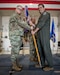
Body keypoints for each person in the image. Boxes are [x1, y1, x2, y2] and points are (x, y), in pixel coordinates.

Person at [31, 4, 53, 71]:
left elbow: (41, 24)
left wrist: (34, 32)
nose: (39, 9)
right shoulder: (41, 16)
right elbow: (37, 25)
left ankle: (50, 65)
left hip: (44, 35)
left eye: (40, 7)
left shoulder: (46, 14)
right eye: (38, 8)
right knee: (40, 50)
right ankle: (42, 63)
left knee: (46, 50)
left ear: (44, 8)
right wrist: (31, 24)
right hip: (39, 35)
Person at [9, 5, 31, 71]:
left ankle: (16, 64)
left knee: (16, 51)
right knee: (14, 52)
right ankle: (14, 66)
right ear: (16, 9)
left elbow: (21, 24)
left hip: (17, 36)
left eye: (21, 9)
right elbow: (22, 24)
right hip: (15, 37)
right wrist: (30, 28)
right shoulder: (15, 16)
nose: (20, 10)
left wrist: (27, 21)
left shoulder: (18, 16)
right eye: (19, 9)